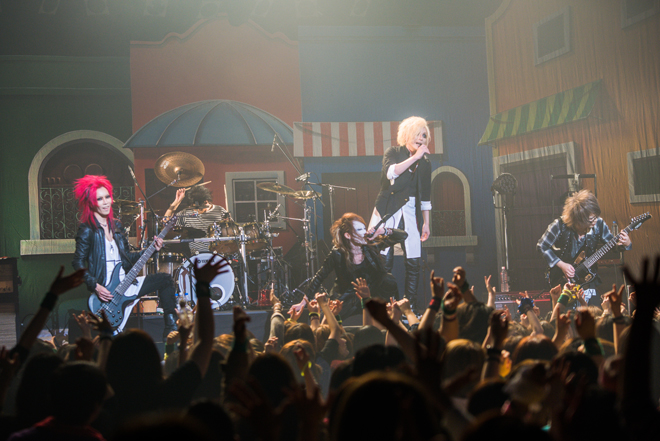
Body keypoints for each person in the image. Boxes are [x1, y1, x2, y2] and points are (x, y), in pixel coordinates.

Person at [71, 175, 178, 338]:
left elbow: (127, 257)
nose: (105, 202)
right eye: (99, 199)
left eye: (107, 197)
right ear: (91, 203)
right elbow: (77, 263)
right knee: (112, 339)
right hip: (108, 292)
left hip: (127, 284)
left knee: (165, 279)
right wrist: (95, 286)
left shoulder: (117, 225)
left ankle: (171, 329)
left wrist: (153, 249)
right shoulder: (87, 229)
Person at [368, 116, 432, 310]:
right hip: (389, 209)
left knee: (413, 261)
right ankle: (382, 306)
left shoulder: (425, 163)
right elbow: (391, 173)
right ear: (407, 135)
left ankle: (408, 307)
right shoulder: (394, 152)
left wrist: (426, 223)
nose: (421, 138)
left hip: (411, 211)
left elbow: (425, 196)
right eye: (417, 134)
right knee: (384, 261)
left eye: (424, 135)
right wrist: (415, 158)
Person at [537, 189, 631, 304]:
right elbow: (542, 246)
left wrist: (626, 244)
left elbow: (613, 246)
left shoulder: (599, 224)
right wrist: (562, 265)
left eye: (596, 216)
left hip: (587, 278)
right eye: (591, 219)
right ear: (578, 218)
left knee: (593, 310)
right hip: (562, 279)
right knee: (567, 312)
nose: (595, 221)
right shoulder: (559, 225)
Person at [308, 213, 406, 319]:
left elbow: (403, 235)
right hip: (348, 294)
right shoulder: (337, 253)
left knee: (388, 280)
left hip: (371, 293)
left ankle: (391, 317)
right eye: (359, 230)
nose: (364, 232)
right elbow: (320, 276)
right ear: (348, 235)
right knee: (328, 319)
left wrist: (383, 231)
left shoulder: (371, 244)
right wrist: (304, 301)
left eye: (364, 228)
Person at [164, 185, 230, 255]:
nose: (196, 211)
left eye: (198, 208)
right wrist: (177, 201)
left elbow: (231, 231)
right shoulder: (187, 213)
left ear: (206, 202)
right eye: (194, 208)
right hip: (196, 256)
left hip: (217, 255)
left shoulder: (220, 211)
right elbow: (166, 221)